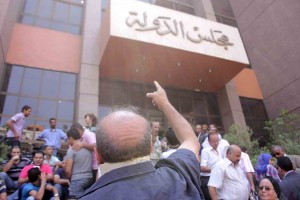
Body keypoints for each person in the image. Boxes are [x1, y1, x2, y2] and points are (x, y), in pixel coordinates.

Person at [80, 81, 204, 200]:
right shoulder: (177, 177)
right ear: (150, 149)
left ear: (97, 155)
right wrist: (164, 103)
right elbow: (191, 140)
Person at [64, 128, 93, 199]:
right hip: (89, 178)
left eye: (68, 139)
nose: (67, 141)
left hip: (77, 180)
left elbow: (68, 170)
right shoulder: (88, 148)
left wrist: (69, 179)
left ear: (71, 138)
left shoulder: (71, 150)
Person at [200, 131, 223, 200]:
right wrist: (215, 170)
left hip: (218, 179)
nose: (216, 143)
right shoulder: (205, 151)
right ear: (209, 142)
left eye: (217, 141)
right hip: (208, 179)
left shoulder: (220, 150)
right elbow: (202, 168)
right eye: (213, 141)